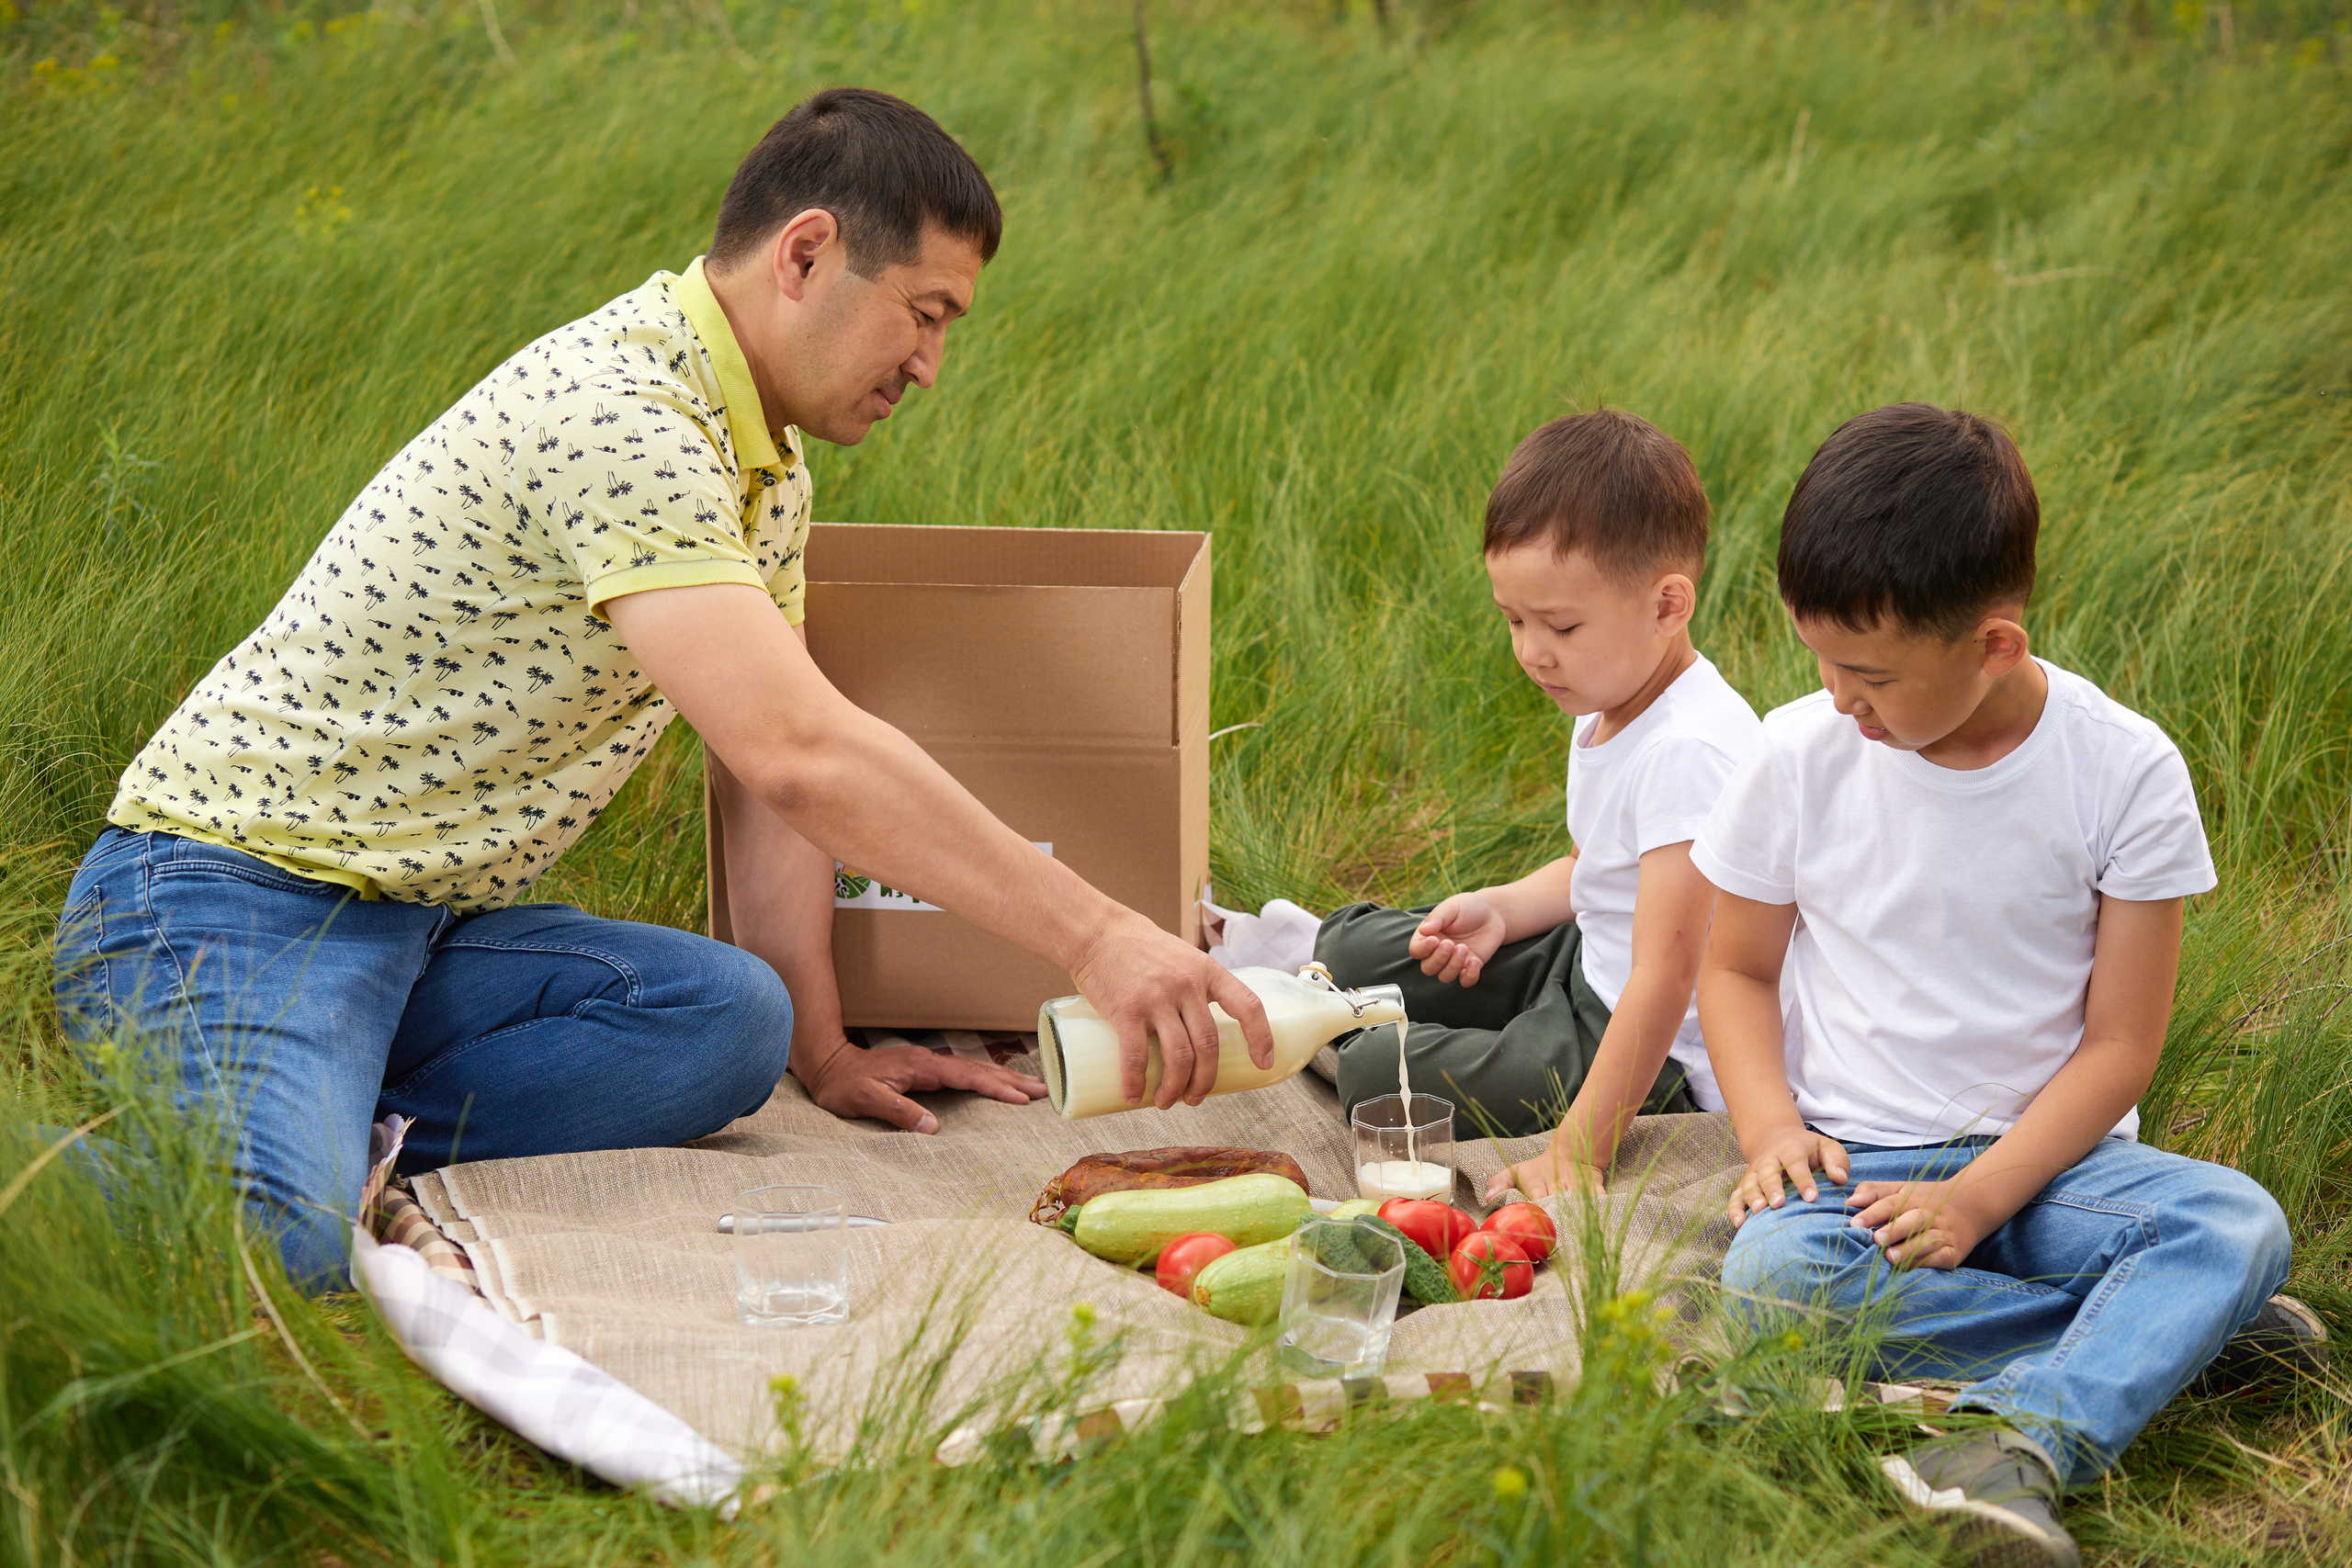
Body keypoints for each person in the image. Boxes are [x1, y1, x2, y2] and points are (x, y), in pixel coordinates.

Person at [51, 88, 1272, 1292]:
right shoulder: (622, 416)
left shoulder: (765, 464)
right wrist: (1096, 930)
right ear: (807, 252)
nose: (931, 364)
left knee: (731, 1023)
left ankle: (305, 1097)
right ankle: (259, 1129)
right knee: (276, 1249)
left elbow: (759, 770)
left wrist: (827, 1044)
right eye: (925, 313)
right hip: (229, 891)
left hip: (420, 930)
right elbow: (803, 749)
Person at [1695, 404, 2315, 1568]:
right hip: (1857, 1175)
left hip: (2056, 1170)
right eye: (1819, 659)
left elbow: (2120, 1048)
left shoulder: (2122, 770)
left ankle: (2007, 1441)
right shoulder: (1797, 757)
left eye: (1869, 674)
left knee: (2235, 1221)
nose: (1837, 698)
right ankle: (2173, 1343)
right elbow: (1732, 968)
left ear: (1992, 644)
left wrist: (1979, 1201)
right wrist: (1771, 1126)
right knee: (1772, 1287)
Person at [1313, 410, 1760, 1199]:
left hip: (1645, 1044)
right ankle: (1471, 1016)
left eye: (1559, 625)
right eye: (1514, 620)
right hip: (1586, 956)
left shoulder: (1688, 752)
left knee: (1375, 1072)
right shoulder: (1613, 688)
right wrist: (1504, 910)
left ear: (1667, 605)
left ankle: (1482, 1045)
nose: (1530, 650)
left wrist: (1578, 1152)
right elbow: (1601, 867)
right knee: (1344, 944)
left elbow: (1667, 971)